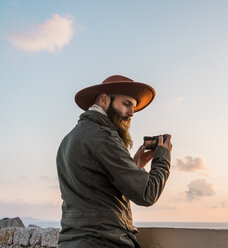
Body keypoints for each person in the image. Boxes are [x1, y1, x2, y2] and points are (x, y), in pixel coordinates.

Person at [56, 75, 172, 248]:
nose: (132, 113)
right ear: (104, 100)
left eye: (133, 107)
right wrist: (162, 157)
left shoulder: (69, 139)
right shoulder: (104, 138)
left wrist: (135, 166)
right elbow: (147, 194)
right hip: (102, 241)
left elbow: (96, 187)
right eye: (126, 104)